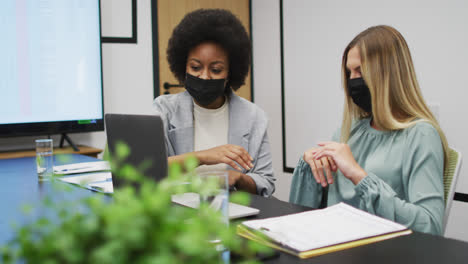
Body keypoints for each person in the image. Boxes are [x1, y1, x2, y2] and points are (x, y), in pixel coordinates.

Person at [289, 25, 448, 235]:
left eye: (360, 71)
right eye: (349, 72)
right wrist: (313, 168)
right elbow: (304, 216)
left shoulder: (421, 135)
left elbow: (430, 226)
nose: (352, 80)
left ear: (388, 75)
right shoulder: (349, 132)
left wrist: (358, 175)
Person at [153, 9, 275, 197]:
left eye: (216, 70)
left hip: (233, 211)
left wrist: (238, 178)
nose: (204, 76)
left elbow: (266, 182)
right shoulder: (165, 109)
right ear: (183, 66)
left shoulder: (254, 117)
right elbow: (147, 168)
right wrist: (202, 157)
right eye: (195, 67)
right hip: (176, 211)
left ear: (230, 74)